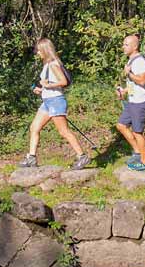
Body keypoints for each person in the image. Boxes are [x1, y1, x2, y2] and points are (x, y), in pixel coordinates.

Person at [18, 38, 92, 170]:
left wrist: (48, 85)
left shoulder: (53, 64)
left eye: (39, 51)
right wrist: (42, 89)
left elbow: (63, 82)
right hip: (47, 101)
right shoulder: (47, 64)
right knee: (34, 127)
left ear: (45, 50)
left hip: (56, 101)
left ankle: (82, 156)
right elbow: (52, 84)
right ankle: (31, 158)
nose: (37, 53)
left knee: (63, 131)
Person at [115, 33, 145, 171]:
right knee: (121, 125)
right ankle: (137, 152)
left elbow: (142, 80)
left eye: (126, 44)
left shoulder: (139, 61)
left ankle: (144, 163)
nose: (123, 47)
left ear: (135, 46)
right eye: (123, 44)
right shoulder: (131, 61)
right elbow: (134, 83)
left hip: (140, 102)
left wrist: (128, 73)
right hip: (132, 101)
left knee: (138, 133)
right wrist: (124, 91)